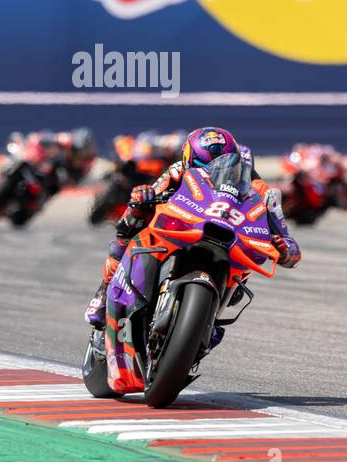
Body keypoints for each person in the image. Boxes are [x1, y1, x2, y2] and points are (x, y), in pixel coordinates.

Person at [83, 126, 301, 331]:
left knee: (237, 292)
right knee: (130, 226)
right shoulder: (178, 170)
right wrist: (141, 201)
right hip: (184, 226)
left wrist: (285, 248)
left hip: (230, 240)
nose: (216, 169)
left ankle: (206, 322)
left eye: (225, 163)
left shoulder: (260, 189)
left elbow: (287, 242)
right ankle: (104, 292)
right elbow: (150, 194)